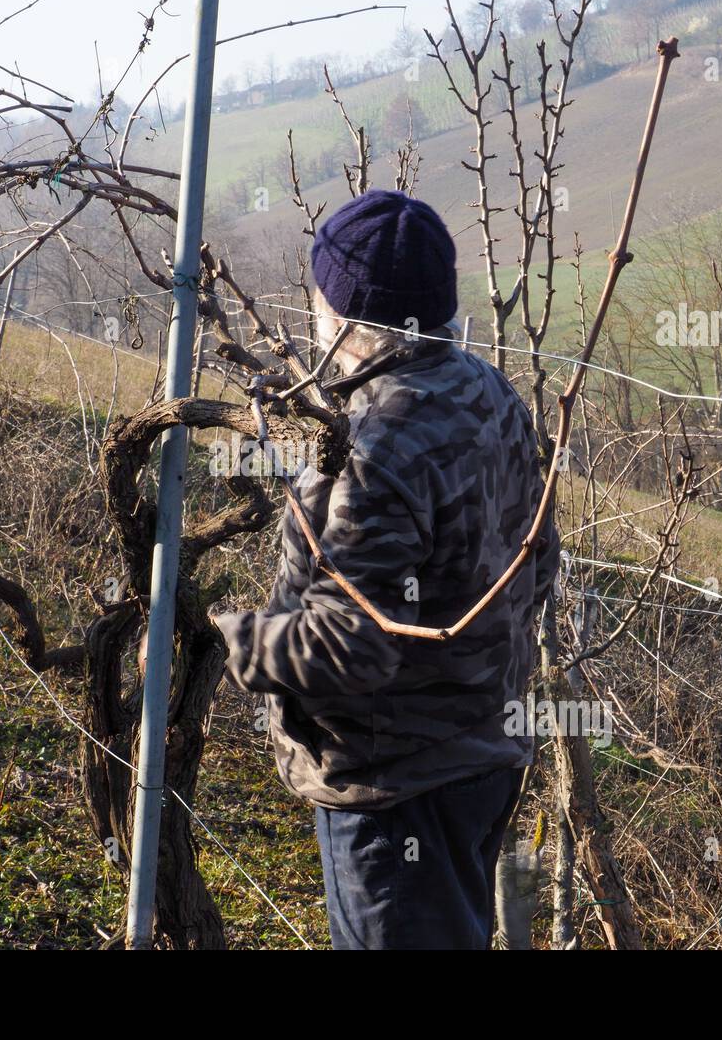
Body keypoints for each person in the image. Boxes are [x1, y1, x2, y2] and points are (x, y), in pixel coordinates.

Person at [213, 189, 560, 950]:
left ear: (341, 312)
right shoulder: (492, 395)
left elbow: (351, 648)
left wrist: (227, 639)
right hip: (483, 759)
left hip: (396, 789)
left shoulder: (376, 443)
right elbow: (540, 562)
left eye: (318, 293)